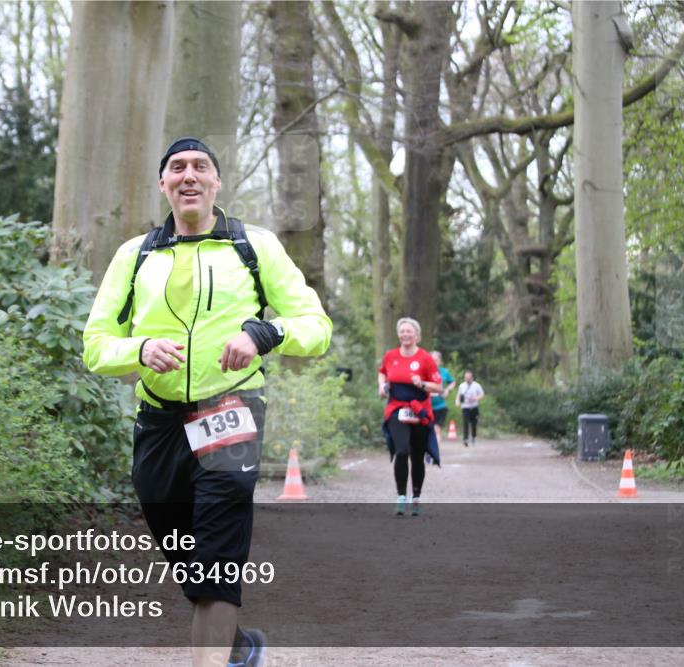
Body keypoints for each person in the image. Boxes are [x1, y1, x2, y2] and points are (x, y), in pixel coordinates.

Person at [83, 137, 332, 667]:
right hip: (159, 419)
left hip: (230, 410)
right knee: (189, 561)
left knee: (216, 558)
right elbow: (95, 344)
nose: (189, 175)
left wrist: (265, 334)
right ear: (164, 184)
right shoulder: (136, 255)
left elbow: (316, 327)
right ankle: (238, 646)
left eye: (201, 167)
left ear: (217, 183)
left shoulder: (254, 246)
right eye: (177, 167)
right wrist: (141, 348)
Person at [377, 318, 442, 516]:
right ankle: (400, 498)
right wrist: (382, 385)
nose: (405, 334)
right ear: (399, 334)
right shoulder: (390, 356)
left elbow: (438, 387)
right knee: (402, 451)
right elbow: (382, 373)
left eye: (409, 331)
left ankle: (416, 497)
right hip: (397, 407)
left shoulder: (425, 358)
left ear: (417, 335)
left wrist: (422, 383)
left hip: (420, 409)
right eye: (402, 331)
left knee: (417, 456)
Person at [430, 350, 456, 442]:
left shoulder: (444, 372)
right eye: (432, 360)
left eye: (436, 360)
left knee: (436, 429)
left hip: (440, 406)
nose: (434, 362)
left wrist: (447, 390)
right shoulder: (424, 372)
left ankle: (434, 452)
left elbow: (453, 382)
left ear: (440, 362)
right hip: (426, 407)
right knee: (427, 430)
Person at [455, 370, 485, 447]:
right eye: (466, 377)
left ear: (472, 377)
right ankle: (465, 439)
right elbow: (459, 394)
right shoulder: (462, 385)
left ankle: (474, 437)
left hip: (474, 407)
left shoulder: (477, 385)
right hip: (465, 407)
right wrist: (457, 401)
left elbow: (482, 394)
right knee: (465, 423)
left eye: (468, 377)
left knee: (474, 424)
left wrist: (476, 398)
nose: (467, 379)